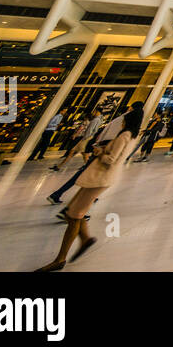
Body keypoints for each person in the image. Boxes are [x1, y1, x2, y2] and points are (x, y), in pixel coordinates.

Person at [36, 107, 141, 272]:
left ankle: (61, 258)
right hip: (98, 177)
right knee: (74, 210)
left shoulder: (124, 136)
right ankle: (85, 238)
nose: (122, 120)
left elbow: (111, 159)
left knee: (74, 214)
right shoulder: (132, 136)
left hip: (100, 177)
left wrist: (100, 152)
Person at [47, 102, 140, 208]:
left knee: (86, 173)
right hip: (103, 150)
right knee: (87, 175)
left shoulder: (119, 120)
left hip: (101, 148)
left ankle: (69, 200)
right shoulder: (124, 123)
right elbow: (111, 143)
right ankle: (68, 202)